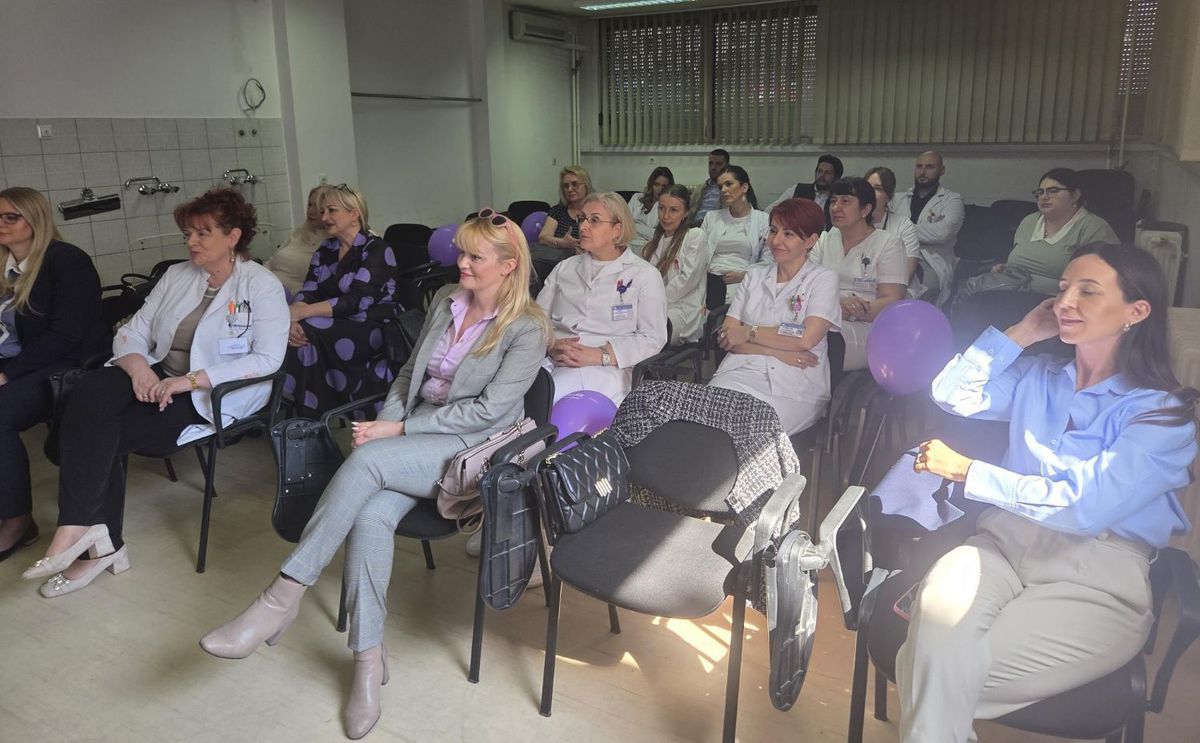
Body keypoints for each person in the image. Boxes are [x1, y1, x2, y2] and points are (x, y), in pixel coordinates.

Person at [199, 210, 552, 739]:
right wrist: (391, 422)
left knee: (364, 461)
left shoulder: (527, 327)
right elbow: (409, 374)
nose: (461, 263)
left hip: (472, 449)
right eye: (461, 251)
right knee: (370, 514)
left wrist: (397, 431)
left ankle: (280, 597)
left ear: (508, 265)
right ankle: (367, 659)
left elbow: (489, 412)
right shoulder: (445, 300)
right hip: (416, 437)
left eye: (475, 256)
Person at [896, 243, 1198, 743]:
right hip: (999, 547)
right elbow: (950, 394)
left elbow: (1082, 506)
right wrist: (1022, 332)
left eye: (1088, 291)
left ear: (1137, 311)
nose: (1065, 302)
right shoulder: (1039, 377)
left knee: (926, 662)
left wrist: (971, 473)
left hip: (1096, 576)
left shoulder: (1161, 414)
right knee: (937, 652)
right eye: (1062, 289)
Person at [20, 188, 288, 597]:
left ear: (233, 236)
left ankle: (96, 543)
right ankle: (83, 529)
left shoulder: (261, 285)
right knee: (91, 389)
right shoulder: (178, 276)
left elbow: (268, 359)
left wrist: (187, 381)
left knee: (95, 436)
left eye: (202, 233)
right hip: (156, 373)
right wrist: (139, 367)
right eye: (188, 233)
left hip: (208, 392)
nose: (191, 242)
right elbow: (132, 331)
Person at [0, 187, 110, 563]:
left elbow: (66, 335)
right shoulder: (3, 264)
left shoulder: (65, 261)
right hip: (17, 361)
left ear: (35, 220)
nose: (1, 224)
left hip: (61, 364)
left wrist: (8, 374)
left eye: (10, 217)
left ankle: (17, 520)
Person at [710, 199, 840, 434]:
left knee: (749, 430)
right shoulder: (754, 276)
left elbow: (805, 339)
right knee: (706, 420)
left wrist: (748, 332)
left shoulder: (822, 279)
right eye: (773, 231)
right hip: (738, 372)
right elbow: (727, 337)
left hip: (796, 385)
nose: (776, 241)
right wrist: (775, 350)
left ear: (811, 240)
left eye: (788, 234)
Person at [953, 169, 1121, 350]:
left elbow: (1104, 279)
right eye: (1040, 192)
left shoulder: (1094, 227)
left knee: (983, 307)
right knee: (970, 300)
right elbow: (1021, 256)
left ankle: (985, 357)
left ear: (1075, 195)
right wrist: (1006, 267)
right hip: (1013, 288)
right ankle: (970, 357)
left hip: (1052, 301)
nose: (1044, 197)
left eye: (1053, 191)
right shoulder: (1029, 222)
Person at [537, 192, 667, 404]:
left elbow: (653, 338)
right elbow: (537, 320)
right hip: (554, 360)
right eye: (582, 219)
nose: (583, 226)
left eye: (594, 220)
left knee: (556, 404)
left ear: (617, 229)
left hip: (607, 368)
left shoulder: (644, 275)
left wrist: (600, 355)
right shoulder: (564, 268)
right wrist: (551, 345)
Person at [282, 184, 397, 418]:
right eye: (323, 211)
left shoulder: (377, 249)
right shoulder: (326, 249)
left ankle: (305, 412)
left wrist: (301, 314)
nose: (324, 217)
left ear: (354, 214)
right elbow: (310, 289)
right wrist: (293, 317)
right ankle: (309, 416)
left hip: (373, 324)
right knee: (302, 336)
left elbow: (355, 301)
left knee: (309, 330)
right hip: (333, 321)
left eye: (332, 211)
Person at [808, 177, 907, 371]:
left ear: (865, 209)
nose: (835, 207)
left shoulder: (888, 243)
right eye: (833, 201)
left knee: (820, 336)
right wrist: (837, 307)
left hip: (867, 326)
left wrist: (849, 312)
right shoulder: (825, 239)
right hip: (822, 315)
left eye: (845, 201)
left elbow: (892, 300)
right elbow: (807, 288)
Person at [893, 151, 965, 305]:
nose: (923, 172)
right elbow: (886, 228)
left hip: (930, 262)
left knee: (914, 298)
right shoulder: (898, 199)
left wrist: (901, 229)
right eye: (919, 166)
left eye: (930, 167)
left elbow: (943, 233)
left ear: (942, 170)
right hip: (897, 257)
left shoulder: (952, 200)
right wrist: (926, 230)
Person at [642, 185, 707, 344]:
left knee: (649, 330)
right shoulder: (654, 241)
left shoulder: (695, 236)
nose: (666, 216)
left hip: (683, 310)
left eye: (674, 210)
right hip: (654, 304)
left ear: (686, 212)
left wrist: (652, 301)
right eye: (661, 208)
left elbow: (687, 281)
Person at [701, 164, 770, 308]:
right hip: (710, 279)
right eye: (720, 186)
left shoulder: (763, 220)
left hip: (744, 279)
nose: (723, 190)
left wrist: (744, 275)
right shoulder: (711, 217)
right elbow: (699, 252)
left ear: (744, 187)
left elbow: (769, 260)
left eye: (729, 184)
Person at [265, 184, 335, 296]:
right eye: (310, 205)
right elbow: (271, 262)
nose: (310, 211)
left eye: (317, 207)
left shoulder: (333, 243)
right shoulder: (299, 233)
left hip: (293, 297)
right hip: (267, 288)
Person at [533, 165, 593, 280]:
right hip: (555, 261)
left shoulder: (595, 211)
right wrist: (563, 243)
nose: (570, 189)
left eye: (575, 184)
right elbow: (543, 237)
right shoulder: (558, 210)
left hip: (586, 260)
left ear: (586, 185)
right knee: (533, 254)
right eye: (566, 186)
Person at [864, 166, 920, 287]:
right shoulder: (851, 222)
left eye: (877, 188)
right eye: (867, 187)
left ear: (889, 196)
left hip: (895, 290)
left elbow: (907, 273)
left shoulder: (903, 225)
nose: (870, 193)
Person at [767, 153, 843, 229]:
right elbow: (770, 211)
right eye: (819, 171)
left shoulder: (838, 199)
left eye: (827, 173)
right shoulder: (798, 189)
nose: (822, 175)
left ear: (836, 177)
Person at [626, 166, 673, 253]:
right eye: (656, 184)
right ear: (651, 185)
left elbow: (658, 235)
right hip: (627, 243)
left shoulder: (668, 206)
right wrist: (646, 230)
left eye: (664, 186)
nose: (660, 189)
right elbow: (624, 223)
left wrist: (634, 226)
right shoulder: (637, 198)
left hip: (649, 247)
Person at [690, 148, 730, 226]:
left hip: (715, 227)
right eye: (710, 163)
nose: (713, 167)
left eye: (718, 164)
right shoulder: (701, 188)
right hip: (695, 226)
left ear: (727, 166)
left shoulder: (730, 189)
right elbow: (690, 212)